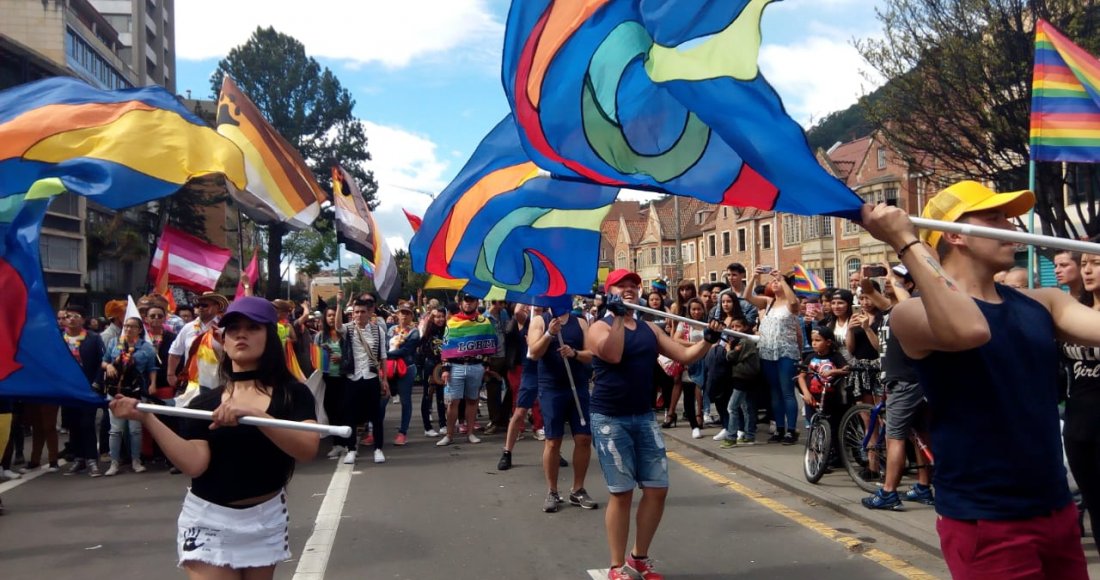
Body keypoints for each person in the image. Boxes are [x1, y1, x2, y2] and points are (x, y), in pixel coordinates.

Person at [862, 180, 1100, 578]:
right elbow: (970, 329)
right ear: (956, 235)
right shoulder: (910, 314)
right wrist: (906, 241)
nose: (1010, 225)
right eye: (994, 218)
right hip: (986, 521)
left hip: (1055, 508)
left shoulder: (1043, 302)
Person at [109, 296, 319, 578]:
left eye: (253, 327)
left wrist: (258, 416)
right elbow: (195, 464)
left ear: (270, 336)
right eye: (233, 329)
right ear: (224, 339)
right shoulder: (205, 403)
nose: (241, 334)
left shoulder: (293, 393)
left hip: (266, 517)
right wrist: (147, 417)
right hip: (209, 518)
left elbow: (306, 450)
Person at [586, 269, 721, 580]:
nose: (630, 289)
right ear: (610, 292)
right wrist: (618, 317)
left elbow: (686, 355)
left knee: (658, 489)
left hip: (644, 416)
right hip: (610, 418)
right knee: (621, 493)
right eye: (623, 286)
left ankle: (639, 558)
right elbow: (613, 354)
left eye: (634, 285)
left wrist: (709, 339)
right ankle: (617, 566)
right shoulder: (598, 327)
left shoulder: (650, 329)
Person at [527, 299, 597, 513]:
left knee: (584, 438)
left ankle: (578, 490)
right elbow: (534, 352)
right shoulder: (540, 320)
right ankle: (552, 491)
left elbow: (591, 355)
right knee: (553, 441)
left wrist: (574, 353)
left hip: (578, 387)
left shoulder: (581, 323)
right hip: (551, 389)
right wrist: (549, 334)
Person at [1062, 248, 1100, 557]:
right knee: (1095, 507)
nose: (1088, 270)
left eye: (1096, 263)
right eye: (1084, 263)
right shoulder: (1074, 311)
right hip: (1079, 426)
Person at [745, 268, 803, 445]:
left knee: (787, 392)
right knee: (774, 392)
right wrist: (753, 277)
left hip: (786, 352)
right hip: (768, 351)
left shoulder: (790, 303)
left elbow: (793, 302)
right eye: (773, 281)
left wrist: (782, 279)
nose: (775, 282)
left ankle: (791, 430)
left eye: (778, 280)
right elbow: (748, 297)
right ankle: (779, 428)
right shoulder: (768, 302)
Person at [437, 292, 497, 447]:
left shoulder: (484, 322)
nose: (468, 303)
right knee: (452, 402)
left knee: (473, 401)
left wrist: (484, 366)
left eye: (471, 300)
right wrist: (445, 368)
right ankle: (449, 435)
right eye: (466, 301)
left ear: (477, 302)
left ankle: (470, 433)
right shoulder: (452, 322)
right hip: (455, 367)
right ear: (461, 303)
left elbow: (490, 347)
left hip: (475, 367)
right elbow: (446, 346)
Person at [101, 316, 158, 476]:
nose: (128, 329)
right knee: (115, 429)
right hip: (116, 391)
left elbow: (152, 368)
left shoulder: (146, 347)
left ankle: (136, 460)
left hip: (136, 391)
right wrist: (110, 365)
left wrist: (153, 384)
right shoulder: (114, 343)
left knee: (135, 429)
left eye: (132, 326)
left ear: (140, 330)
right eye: (126, 326)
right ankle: (114, 462)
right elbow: (103, 361)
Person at [337, 295, 389, 464]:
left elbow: (383, 357)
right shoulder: (348, 329)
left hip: (371, 376)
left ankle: (378, 448)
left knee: (376, 416)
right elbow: (337, 326)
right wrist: (339, 304)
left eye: (362, 312)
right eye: (356, 312)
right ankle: (351, 449)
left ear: (369, 313)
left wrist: (385, 379)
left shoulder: (378, 331)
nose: (359, 315)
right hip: (352, 377)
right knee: (350, 415)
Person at [58, 305, 104, 477]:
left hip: (88, 389)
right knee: (73, 424)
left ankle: (92, 459)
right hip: (68, 390)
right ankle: (79, 459)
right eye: (68, 316)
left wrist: (97, 383)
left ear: (83, 320)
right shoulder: (59, 339)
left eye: (76, 316)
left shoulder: (93, 338)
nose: (71, 319)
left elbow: (102, 362)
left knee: (87, 423)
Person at [794, 327, 848, 455]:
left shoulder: (835, 356)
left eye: (818, 340)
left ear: (828, 342)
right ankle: (817, 455)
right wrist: (805, 394)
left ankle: (834, 456)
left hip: (831, 399)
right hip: (812, 398)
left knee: (833, 428)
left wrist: (834, 371)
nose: (814, 343)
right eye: (812, 340)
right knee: (814, 427)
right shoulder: (810, 357)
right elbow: (801, 376)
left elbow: (846, 369)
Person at [720, 317, 761, 447]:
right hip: (747, 378)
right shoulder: (742, 341)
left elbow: (731, 357)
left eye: (738, 326)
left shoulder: (744, 342)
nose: (734, 329)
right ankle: (749, 436)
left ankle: (731, 437)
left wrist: (728, 349)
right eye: (732, 327)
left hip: (742, 379)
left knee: (732, 407)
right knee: (746, 408)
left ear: (744, 327)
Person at [386, 301, 420, 446]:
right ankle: (373, 431)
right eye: (402, 313)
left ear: (411, 315)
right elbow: (386, 343)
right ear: (397, 315)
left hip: (406, 368)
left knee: (405, 401)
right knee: (382, 399)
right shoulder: (391, 330)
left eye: (407, 313)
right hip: (389, 368)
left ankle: (403, 432)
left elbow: (406, 350)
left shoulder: (414, 332)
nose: (404, 316)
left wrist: (385, 355)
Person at [417, 306, 448, 437]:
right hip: (429, 366)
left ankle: (443, 424)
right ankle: (427, 427)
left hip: (443, 367)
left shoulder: (447, 331)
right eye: (437, 317)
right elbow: (422, 352)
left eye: (442, 316)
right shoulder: (427, 333)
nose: (440, 319)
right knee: (427, 395)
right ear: (432, 318)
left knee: (441, 396)